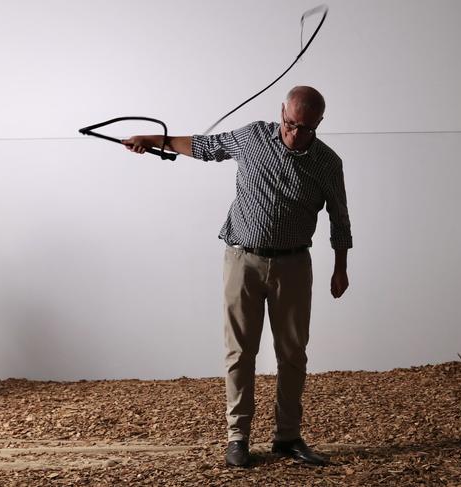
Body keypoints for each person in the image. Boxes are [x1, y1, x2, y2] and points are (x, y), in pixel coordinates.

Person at [122, 86, 352, 468]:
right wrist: (153, 140)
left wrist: (340, 266)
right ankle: (238, 438)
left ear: (319, 125)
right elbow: (205, 146)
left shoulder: (328, 163)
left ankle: (288, 436)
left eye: (306, 129)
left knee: (292, 353)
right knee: (239, 351)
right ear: (281, 112)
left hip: (294, 265)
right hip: (242, 260)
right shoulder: (252, 137)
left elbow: (340, 216)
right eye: (290, 124)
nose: (295, 134)